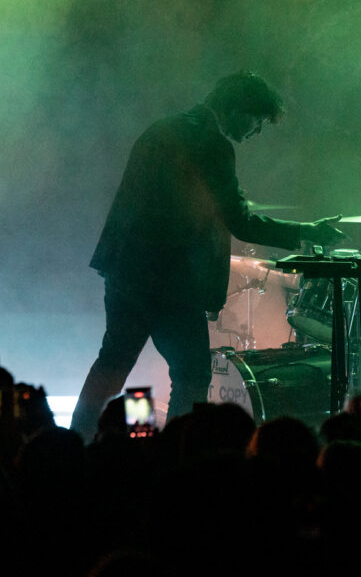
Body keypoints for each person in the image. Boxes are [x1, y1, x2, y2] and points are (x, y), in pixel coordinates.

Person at [70, 72, 344, 443]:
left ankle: (75, 443)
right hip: (170, 283)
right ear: (235, 108)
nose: (257, 131)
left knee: (113, 363)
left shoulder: (161, 129)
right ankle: (179, 454)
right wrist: (306, 231)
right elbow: (241, 222)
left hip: (128, 271)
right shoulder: (213, 145)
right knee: (192, 374)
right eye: (257, 120)